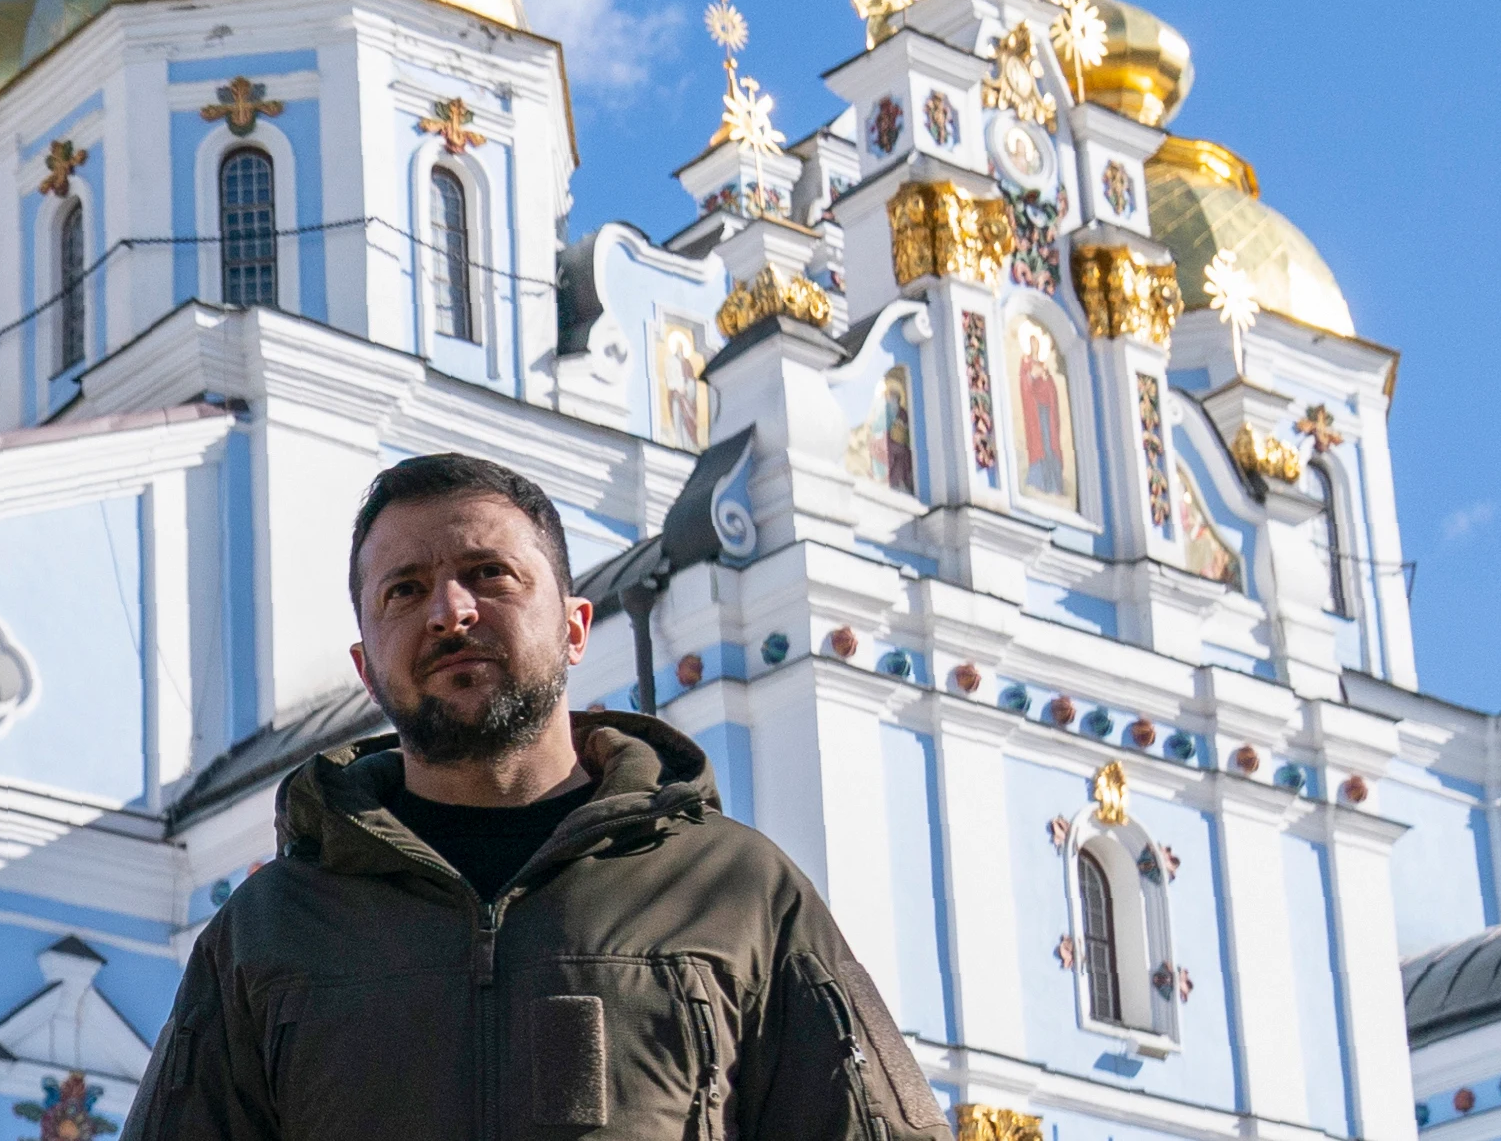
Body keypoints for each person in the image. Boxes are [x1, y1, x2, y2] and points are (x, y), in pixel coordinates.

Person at [126, 453, 945, 1141]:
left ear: (575, 628)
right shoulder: (272, 927)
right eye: (402, 591)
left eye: (489, 574)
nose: (450, 611)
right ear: (366, 665)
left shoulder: (738, 892)